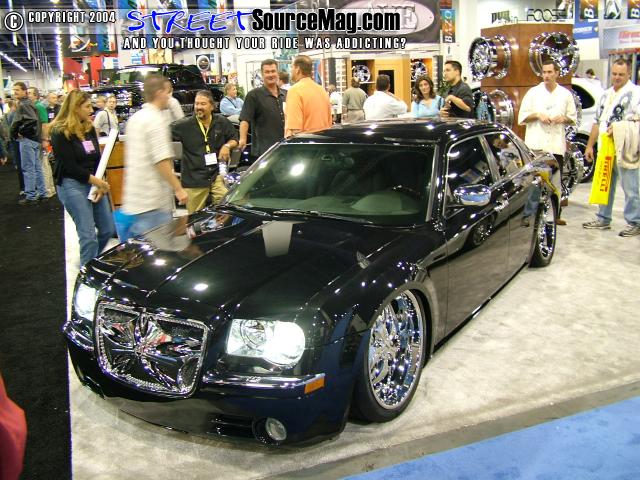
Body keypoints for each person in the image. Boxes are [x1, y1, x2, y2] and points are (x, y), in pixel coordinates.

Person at [50, 89, 116, 265]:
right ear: (75, 107)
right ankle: (87, 271)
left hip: (93, 182)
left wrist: (101, 183)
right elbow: (71, 167)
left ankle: (89, 263)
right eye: (87, 107)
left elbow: (98, 159)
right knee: (88, 235)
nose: (91, 110)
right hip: (72, 184)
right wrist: (98, 182)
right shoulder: (59, 132)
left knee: (108, 229)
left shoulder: (89, 128)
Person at [122, 75, 188, 236]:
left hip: (135, 201)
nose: (169, 98)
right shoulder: (156, 120)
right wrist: (179, 189)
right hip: (153, 202)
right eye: (167, 92)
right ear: (159, 93)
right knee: (160, 247)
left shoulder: (135, 119)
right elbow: (161, 161)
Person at [582, 59, 640, 237]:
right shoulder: (605, 94)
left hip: (626, 147)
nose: (617, 77)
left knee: (630, 187)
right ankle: (603, 218)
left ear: (629, 74)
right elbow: (597, 122)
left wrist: (620, 127)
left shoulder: (636, 93)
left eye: (621, 74)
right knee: (604, 183)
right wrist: (589, 146)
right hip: (605, 146)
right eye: (614, 74)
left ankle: (635, 222)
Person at [518, 59, 577, 226]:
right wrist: (538, 115)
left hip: (556, 145)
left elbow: (572, 118)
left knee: (556, 182)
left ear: (557, 73)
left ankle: (555, 215)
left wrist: (563, 118)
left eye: (550, 72)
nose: (546, 75)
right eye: (544, 72)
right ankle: (529, 216)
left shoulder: (565, 94)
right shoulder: (533, 93)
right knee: (535, 183)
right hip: (536, 146)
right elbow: (522, 117)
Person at [172, 90, 238, 213]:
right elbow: (162, 134)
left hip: (215, 175)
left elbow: (235, 139)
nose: (198, 107)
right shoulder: (184, 125)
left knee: (227, 209)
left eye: (203, 104)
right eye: (196, 104)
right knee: (194, 217)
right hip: (194, 179)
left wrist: (227, 146)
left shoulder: (221, 122)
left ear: (212, 106)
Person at [239, 59, 286, 159]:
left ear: (277, 73)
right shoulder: (253, 95)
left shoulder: (286, 94)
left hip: (285, 149)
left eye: (273, 71)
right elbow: (245, 119)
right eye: (267, 72)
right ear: (262, 74)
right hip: (264, 152)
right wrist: (242, 139)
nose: (270, 75)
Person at [10, 82, 46, 205]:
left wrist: (19, 131)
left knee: (28, 168)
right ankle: (42, 193)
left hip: (28, 139)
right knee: (36, 167)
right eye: (14, 90)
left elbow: (32, 120)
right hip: (34, 139)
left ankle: (31, 196)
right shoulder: (30, 103)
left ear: (24, 91)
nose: (15, 92)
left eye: (17, 90)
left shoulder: (23, 104)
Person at [284, 55, 332, 137]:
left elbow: (295, 130)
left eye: (292, 67)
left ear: (297, 69)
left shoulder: (295, 90)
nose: (291, 70)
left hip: (305, 142)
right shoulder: (322, 90)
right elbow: (329, 123)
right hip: (323, 141)